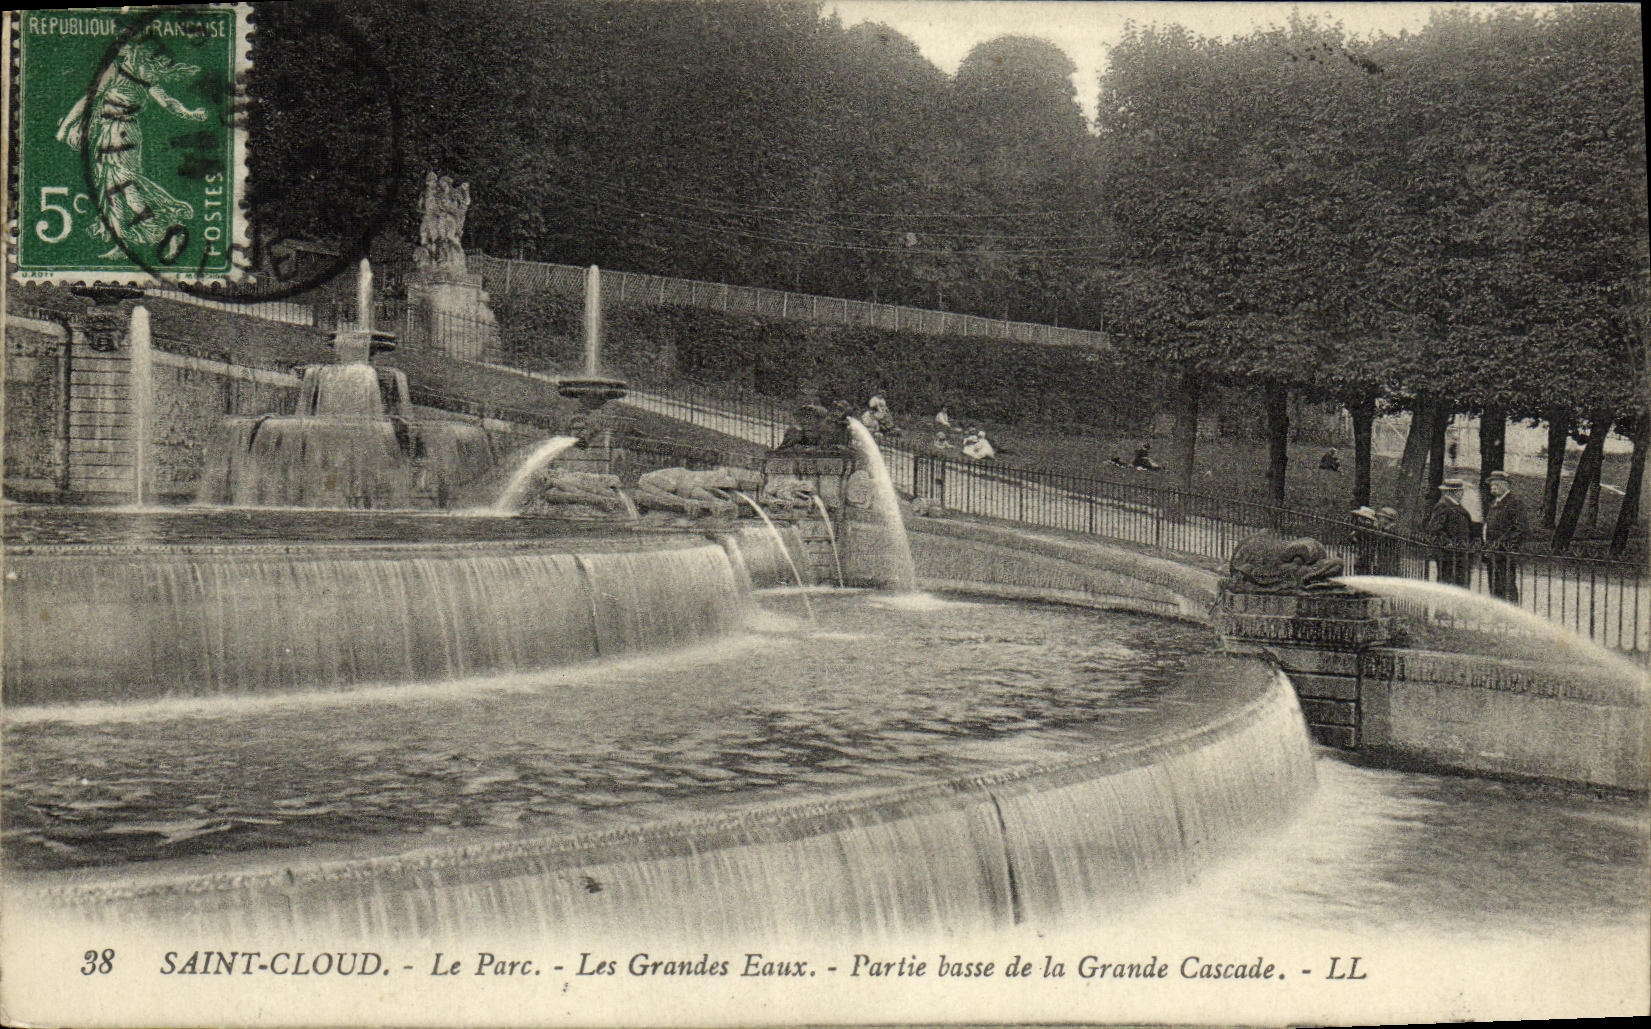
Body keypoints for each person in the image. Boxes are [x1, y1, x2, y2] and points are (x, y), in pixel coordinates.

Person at [1482, 470, 1529, 603]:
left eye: (1495, 484)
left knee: (1507, 584)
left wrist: (1505, 545)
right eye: (1491, 484)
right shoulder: (1494, 502)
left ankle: (1511, 615)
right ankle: (1497, 614)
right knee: (1494, 584)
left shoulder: (1514, 502)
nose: (1492, 487)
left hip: (1504, 552)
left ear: (1505, 485)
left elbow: (1521, 528)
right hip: (1492, 551)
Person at [1425, 478, 1475, 587]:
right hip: (1449, 554)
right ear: (1454, 492)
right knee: (1449, 582)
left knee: (1459, 583)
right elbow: (1435, 529)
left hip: (1460, 552)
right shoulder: (1443, 505)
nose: (1462, 494)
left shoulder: (1456, 506)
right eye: (1460, 491)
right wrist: (1448, 544)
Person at [1349, 506, 1380, 575]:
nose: (1359, 519)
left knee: (1365, 566)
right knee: (1359, 565)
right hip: (1361, 550)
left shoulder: (1370, 530)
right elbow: (1353, 539)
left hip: (1367, 551)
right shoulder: (1359, 528)